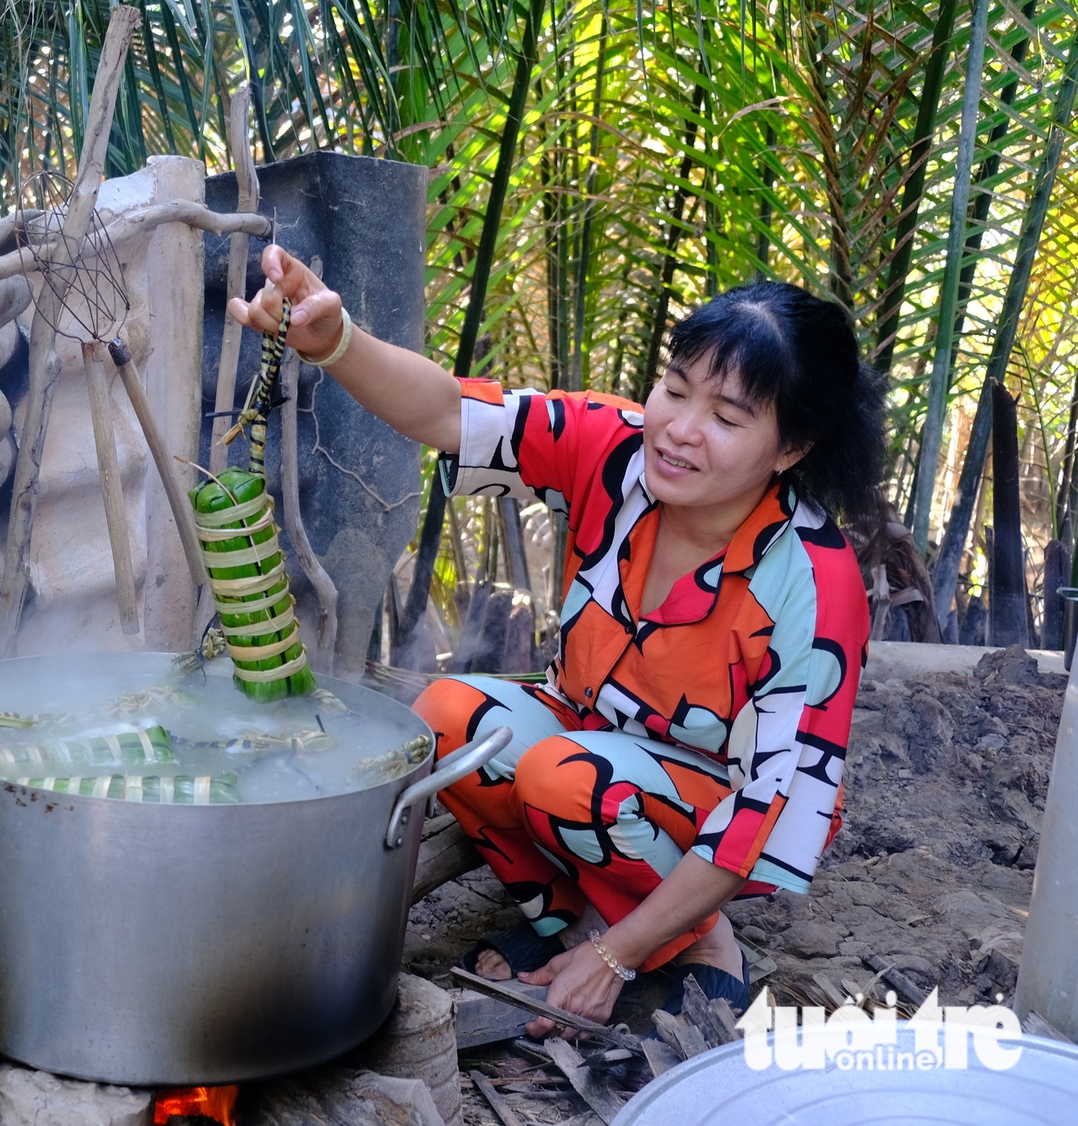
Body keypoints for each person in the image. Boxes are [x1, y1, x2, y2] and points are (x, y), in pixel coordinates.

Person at [229, 246, 882, 1034]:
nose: (679, 430)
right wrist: (333, 340)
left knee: (566, 778)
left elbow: (768, 805)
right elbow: (450, 414)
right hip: (587, 739)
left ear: (791, 449)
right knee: (445, 718)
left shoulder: (813, 580)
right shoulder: (615, 451)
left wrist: (617, 959)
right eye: (675, 390)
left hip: (713, 803)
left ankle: (702, 944)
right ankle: (571, 920)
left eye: (725, 418)